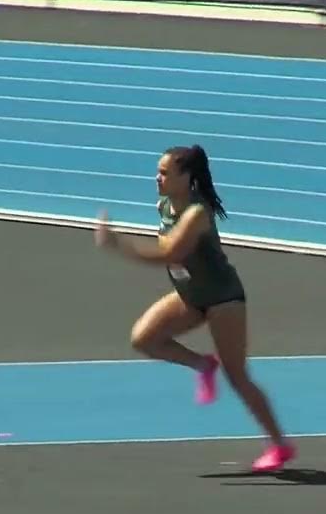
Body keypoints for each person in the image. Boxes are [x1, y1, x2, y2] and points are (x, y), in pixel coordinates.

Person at [94, 144, 296, 472]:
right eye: (157, 171)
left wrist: (121, 245)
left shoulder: (197, 214)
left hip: (222, 299)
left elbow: (169, 254)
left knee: (238, 376)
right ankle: (203, 365)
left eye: (164, 173)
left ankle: (280, 445)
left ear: (186, 177)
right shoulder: (165, 205)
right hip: (191, 295)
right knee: (144, 338)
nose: (156, 178)